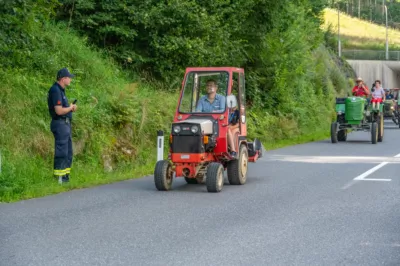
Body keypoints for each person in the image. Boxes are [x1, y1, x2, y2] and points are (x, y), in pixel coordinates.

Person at [47, 68, 77, 183]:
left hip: (65, 124)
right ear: (63, 78)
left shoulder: (61, 90)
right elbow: (59, 111)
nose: (70, 80)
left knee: (68, 151)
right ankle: (59, 178)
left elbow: (63, 109)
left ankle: (65, 177)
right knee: (62, 151)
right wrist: (70, 108)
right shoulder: (55, 90)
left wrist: (70, 108)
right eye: (69, 77)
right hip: (60, 123)